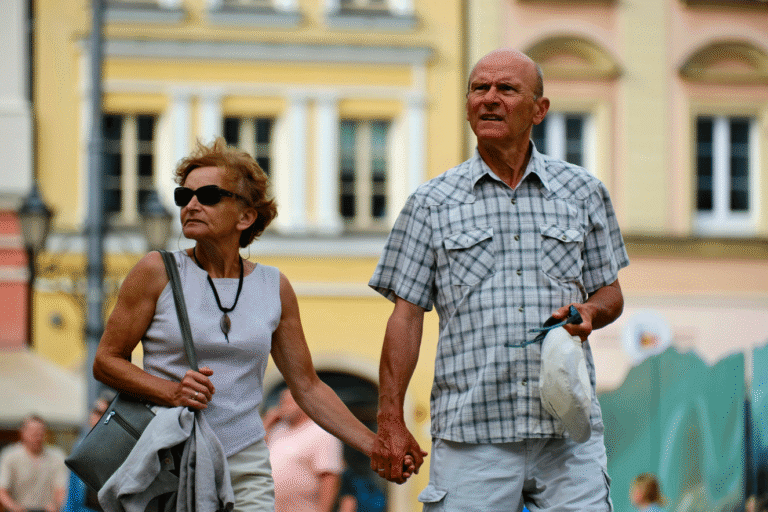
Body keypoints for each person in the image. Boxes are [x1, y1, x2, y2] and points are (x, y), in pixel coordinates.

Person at [93, 137, 418, 511]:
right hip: (170, 457)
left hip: (246, 459)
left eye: (210, 195)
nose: (192, 205)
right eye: (185, 196)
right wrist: (169, 391)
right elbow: (107, 360)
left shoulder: (273, 286)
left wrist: (374, 444)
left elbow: (308, 387)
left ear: (246, 216)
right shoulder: (157, 272)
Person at [368, 47, 629, 510]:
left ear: (540, 109)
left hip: (567, 432)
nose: (489, 98)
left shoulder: (584, 192)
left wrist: (589, 310)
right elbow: (405, 316)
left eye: (506, 89)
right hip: (473, 434)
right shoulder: (431, 202)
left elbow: (610, 293)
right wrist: (390, 417)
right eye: (478, 88)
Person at [264, 388, 343, 512]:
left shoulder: (321, 432)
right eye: (281, 401)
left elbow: (329, 478)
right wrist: (267, 422)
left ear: (304, 403)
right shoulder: (278, 429)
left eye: (288, 401)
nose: (282, 405)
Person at [0, 415, 68, 512]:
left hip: (46, 509)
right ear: (22, 432)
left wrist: (57, 505)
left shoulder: (57, 456)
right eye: (33, 432)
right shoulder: (10, 456)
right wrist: (15, 508)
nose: (37, 436)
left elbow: (61, 489)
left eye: (40, 432)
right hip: (18, 508)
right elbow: (2, 490)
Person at [63, 393, 114, 512]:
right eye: (95, 410)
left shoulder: (116, 448)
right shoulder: (80, 444)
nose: (95, 416)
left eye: (101, 413)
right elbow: (72, 492)